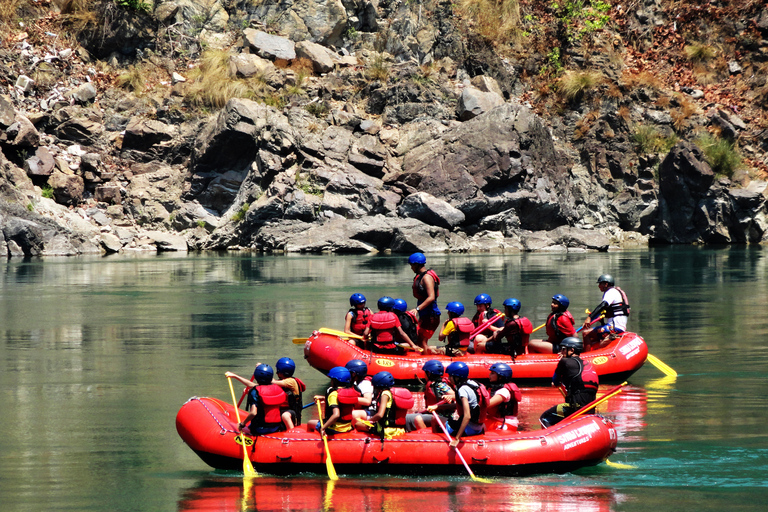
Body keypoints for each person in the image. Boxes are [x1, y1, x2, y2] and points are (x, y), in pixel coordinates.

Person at [539, 337, 599, 428]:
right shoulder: (587, 364)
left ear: (572, 350)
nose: (560, 352)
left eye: (563, 349)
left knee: (544, 418)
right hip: (590, 409)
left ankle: (549, 439)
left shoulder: (564, 362)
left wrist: (557, 381)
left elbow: (555, 380)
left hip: (575, 408)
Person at [430, 361, 486, 446]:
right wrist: (438, 407)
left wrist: (457, 439)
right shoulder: (473, 383)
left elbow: (467, 416)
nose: (448, 379)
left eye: (450, 376)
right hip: (479, 427)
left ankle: (436, 444)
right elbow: (459, 406)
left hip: (469, 429)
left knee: (434, 419)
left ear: (457, 377)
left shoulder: (462, 390)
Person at [226, 364, 288, 435]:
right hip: (276, 427)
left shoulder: (255, 392)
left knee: (248, 425)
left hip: (260, 429)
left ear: (256, 376)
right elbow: (251, 385)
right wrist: (235, 376)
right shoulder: (277, 388)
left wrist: (242, 424)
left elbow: (253, 413)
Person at [354, 371, 415, 437]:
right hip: (397, 428)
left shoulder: (385, 394)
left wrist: (368, 421)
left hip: (385, 430)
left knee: (358, 425)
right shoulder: (390, 392)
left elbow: (380, 415)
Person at [581, 274, 631, 350]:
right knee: (592, 338)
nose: (599, 286)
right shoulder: (616, 292)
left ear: (606, 284)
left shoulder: (610, 292)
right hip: (619, 326)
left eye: (600, 283)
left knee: (585, 333)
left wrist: (589, 318)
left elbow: (603, 305)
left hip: (614, 327)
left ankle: (585, 357)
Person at [309, 366, 361, 436]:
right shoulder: (350, 392)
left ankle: (312, 439)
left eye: (331, 379)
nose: (331, 381)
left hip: (334, 429)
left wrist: (323, 428)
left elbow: (336, 415)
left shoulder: (333, 394)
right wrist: (324, 398)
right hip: (348, 427)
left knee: (310, 423)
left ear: (335, 381)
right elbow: (341, 402)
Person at [405, 360, 455, 431]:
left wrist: (449, 397)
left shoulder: (440, 385)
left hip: (440, 417)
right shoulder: (434, 384)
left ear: (428, 373)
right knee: (416, 415)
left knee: (408, 418)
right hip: (434, 415)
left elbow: (456, 396)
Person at [408, 252, 441, 353]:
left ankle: (425, 361)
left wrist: (417, 309)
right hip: (426, 315)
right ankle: (424, 357)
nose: (411, 268)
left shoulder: (426, 277)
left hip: (431, 316)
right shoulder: (421, 276)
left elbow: (431, 297)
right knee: (419, 340)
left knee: (422, 342)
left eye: (412, 265)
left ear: (417, 264)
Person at [486, 363, 522, 430]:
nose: (490, 375)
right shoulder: (494, 388)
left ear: (500, 376)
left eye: (493, 373)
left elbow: (487, 404)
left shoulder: (504, 391)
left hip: (505, 423)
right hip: (494, 420)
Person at [272, 357, 307, 428]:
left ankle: (292, 433)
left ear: (280, 371)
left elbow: (272, 382)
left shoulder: (291, 381)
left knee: (285, 416)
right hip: (285, 411)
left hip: (292, 414)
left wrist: (262, 369)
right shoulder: (282, 382)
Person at [346, 359, 374, 426]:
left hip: (371, 412)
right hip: (363, 411)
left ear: (354, 374)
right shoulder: (356, 384)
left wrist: (349, 398)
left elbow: (367, 401)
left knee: (352, 414)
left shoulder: (365, 383)